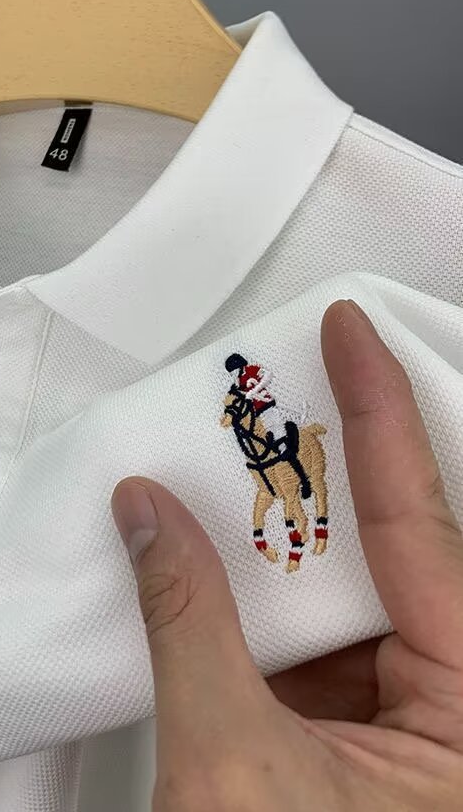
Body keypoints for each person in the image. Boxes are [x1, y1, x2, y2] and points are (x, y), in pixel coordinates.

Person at [111, 299, 463, 810]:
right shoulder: (236, 389)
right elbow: (234, 410)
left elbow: (261, 400)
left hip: (274, 419)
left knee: (283, 441)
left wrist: (253, 400)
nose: (238, 374)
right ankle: (271, 526)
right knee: (257, 461)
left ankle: (305, 497)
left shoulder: (254, 381)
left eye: (238, 371)